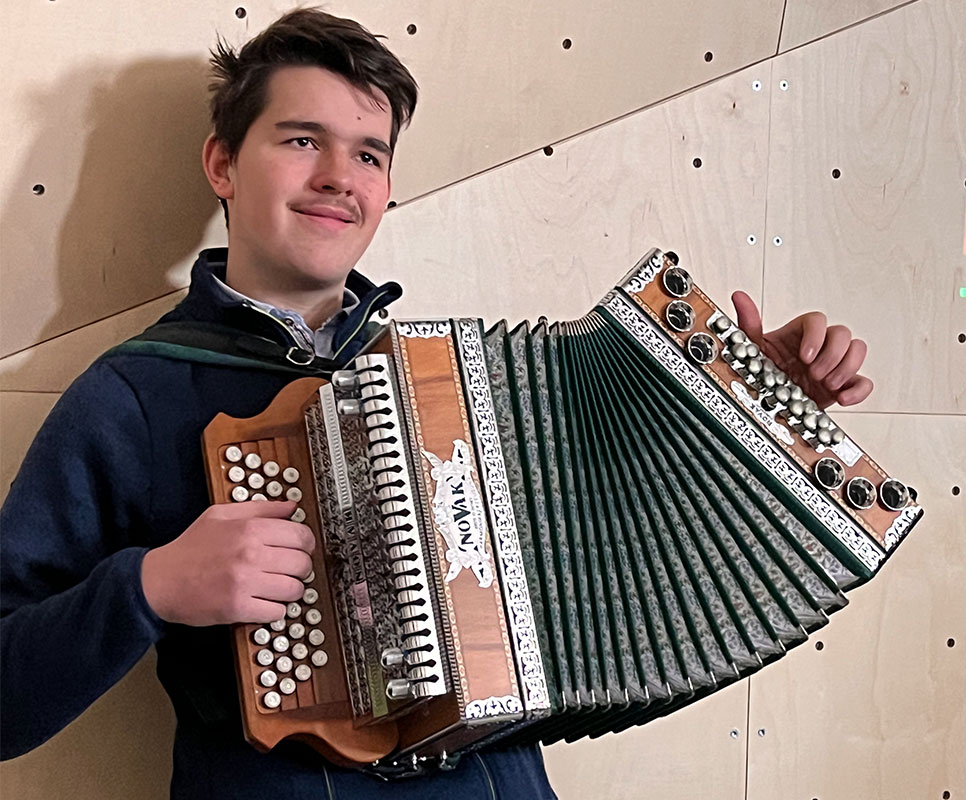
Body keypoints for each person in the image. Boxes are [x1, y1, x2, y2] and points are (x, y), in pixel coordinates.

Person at [0, 7, 872, 798]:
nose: (340, 176)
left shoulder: (460, 386)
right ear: (223, 163)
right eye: (302, 140)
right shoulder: (134, 397)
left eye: (369, 153)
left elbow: (624, 550)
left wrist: (746, 411)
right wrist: (148, 588)